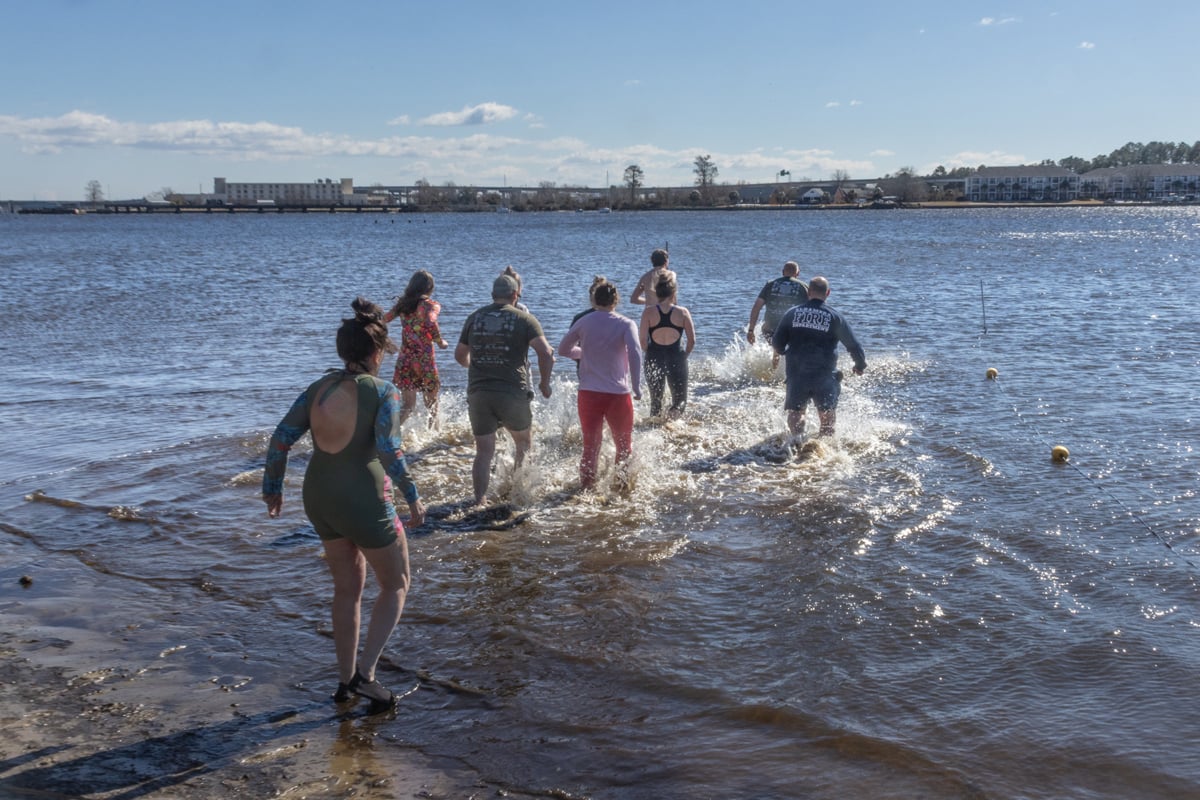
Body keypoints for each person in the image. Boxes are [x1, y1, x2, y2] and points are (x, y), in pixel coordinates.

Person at [262, 297, 425, 713]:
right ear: (375, 353)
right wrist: (414, 496)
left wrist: (273, 487)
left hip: (319, 498)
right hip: (364, 499)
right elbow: (390, 451)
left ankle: (343, 681)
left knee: (347, 590)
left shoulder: (318, 389)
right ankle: (366, 677)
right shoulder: (383, 392)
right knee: (396, 582)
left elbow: (281, 437)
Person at [455, 273, 555, 506]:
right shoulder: (525, 319)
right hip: (512, 391)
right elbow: (546, 353)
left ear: (493, 295)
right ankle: (516, 492)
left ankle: (480, 500)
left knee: (483, 451)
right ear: (515, 295)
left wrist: (478, 367)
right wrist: (544, 383)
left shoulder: (474, 317)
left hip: (479, 392)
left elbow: (460, 355)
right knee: (523, 442)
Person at [557, 280, 643, 489]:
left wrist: (583, 353)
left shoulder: (584, 321)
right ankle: (621, 489)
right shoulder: (626, 323)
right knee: (624, 447)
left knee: (590, 446)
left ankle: (586, 490)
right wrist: (637, 386)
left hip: (589, 393)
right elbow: (635, 353)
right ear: (616, 301)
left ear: (593, 299)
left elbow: (563, 349)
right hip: (618, 394)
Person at [771, 276, 866, 437]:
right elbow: (853, 345)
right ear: (827, 293)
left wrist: (783, 352)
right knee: (827, 414)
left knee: (796, 412)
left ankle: (795, 442)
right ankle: (824, 447)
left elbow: (777, 342)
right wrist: (860, 365)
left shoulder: (792, 313)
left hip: (797, 372)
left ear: (808, 292)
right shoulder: (835, 317)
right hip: (825, 374)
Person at [384, 270, 449, 428]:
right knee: (432, 407)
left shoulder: (402, 305)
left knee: (408, 406)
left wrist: (383, 340)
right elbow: (431, 323)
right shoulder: (431, 305)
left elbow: (383, 320)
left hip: (406, 360)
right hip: (424, 360)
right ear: (430, 288)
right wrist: (440, 341)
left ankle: (388, 436)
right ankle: (433, 440)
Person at [638, 274, 695, 419]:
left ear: (657, 293)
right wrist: (684, 356)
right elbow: (691, 341)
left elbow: (643, 341)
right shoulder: (682, 312)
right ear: (674, 293)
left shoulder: (648, 312)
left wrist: (650, 353)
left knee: (656, 401)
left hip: (654, 357)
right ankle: (673, 421)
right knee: (680, 400)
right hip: (676, 356)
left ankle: (654, 431)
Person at [747, 261, 808, 369]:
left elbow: (756, 307)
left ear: (782, 272)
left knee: (776, 351)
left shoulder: (770, 284)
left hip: (769, 328)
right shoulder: (803, 287)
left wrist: (751, 330)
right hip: (792, 330)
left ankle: (773, 373)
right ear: (797, 274)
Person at [568, 275, 607, 373]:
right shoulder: (618, 319)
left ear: (591, 298)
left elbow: (569, 348)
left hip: (584, 365)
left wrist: (581, 357)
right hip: (610, 365)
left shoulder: (579, 318)